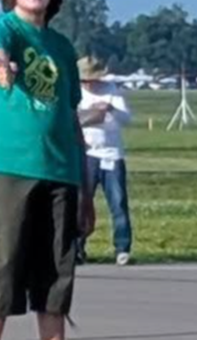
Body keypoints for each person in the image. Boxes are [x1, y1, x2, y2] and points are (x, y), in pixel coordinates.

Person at [0, 0, 95, 340]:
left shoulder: (61, 47)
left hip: (59, 170)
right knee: (3, 268)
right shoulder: (2, 28)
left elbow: (71, 117)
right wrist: (0, 69)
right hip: (9, 167)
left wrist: (85, 191)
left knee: (55, 279)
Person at [76, 55, 134, 265]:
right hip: (87, 154)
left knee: (118, 203)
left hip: (111, 155)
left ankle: (122, 247)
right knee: (82, 203)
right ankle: (77, 247)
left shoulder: (111, 90)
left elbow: (127, 118)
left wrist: (111, 109)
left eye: (91, 80)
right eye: (84, 80)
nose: (89, 84)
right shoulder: (76, 92)